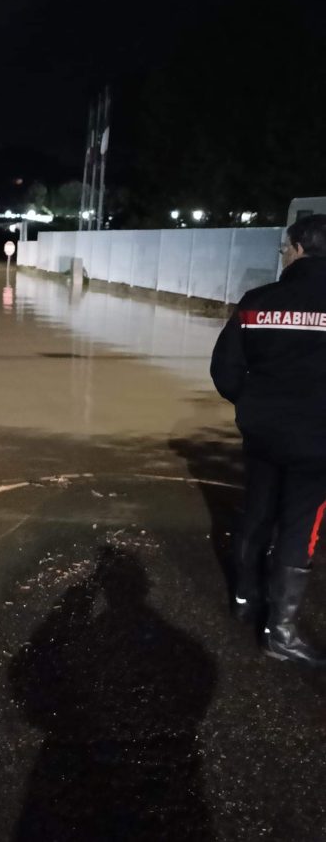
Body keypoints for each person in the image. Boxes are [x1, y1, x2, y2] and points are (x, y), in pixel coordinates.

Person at [211, 214, 326, 666]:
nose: (281, 254)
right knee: (301, 529)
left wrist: (254, 404)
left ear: (298, 247)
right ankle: (279, 633)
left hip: (263, 434)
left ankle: (245, 599)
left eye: (283, 248)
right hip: (319, 443)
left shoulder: (258, 303)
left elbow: (224, 371)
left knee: (257, 510)